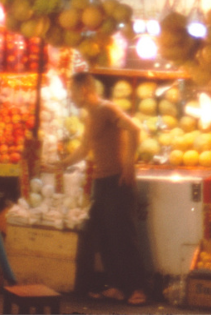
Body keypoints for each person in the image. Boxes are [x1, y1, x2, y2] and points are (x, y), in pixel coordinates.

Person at [55, 72, 147, 306]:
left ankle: (138, 288)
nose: (71, 96)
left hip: (118, 180)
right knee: (105, 236)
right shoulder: (90, 116)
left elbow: (134, 128)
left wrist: (128, 163)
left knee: (123, 236)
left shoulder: (106, 108)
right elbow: (85, 148)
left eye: (72, 91)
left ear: (84, 89)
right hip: (101, 181)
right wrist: (61, 164)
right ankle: (116, 286)